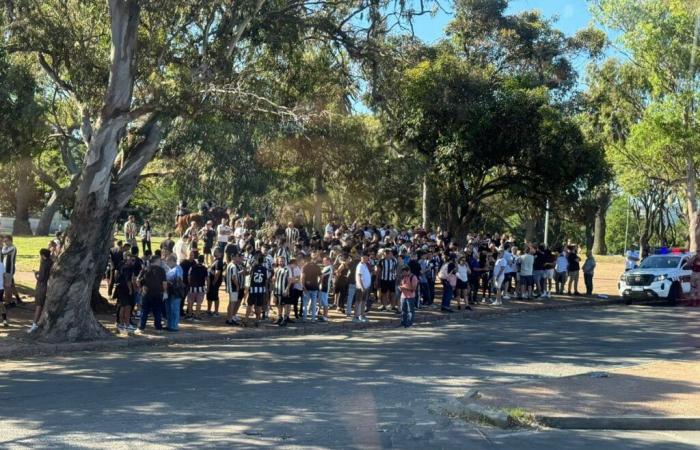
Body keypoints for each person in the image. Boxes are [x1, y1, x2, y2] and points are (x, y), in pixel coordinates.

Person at [138, 255, 168, 331]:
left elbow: (138, 280)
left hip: (146, 293)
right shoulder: (161, 270)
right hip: (158, 293)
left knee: (144, 311)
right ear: (157, 261)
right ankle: (158, 327)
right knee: (157, 311)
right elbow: (164, 283)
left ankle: (141, 326)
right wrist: (165, 292)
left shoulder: (145, 269)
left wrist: (140, 287)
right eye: (160, 261)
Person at [28, 249, 53, 334]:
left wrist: (35, 275)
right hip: (48, 285)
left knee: (39, 305)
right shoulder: (51, 262)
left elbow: (41, 278)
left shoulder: (43, 263)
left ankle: (34, 324)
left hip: (41, 286)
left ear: (42, 255)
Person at [116, 254, 137, 333]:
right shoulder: (128, 268)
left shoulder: (124, 267)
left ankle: (122, 324)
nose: (132, 262)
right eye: (131, 260)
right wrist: (131, 290)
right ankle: (126, 325)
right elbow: (128, 280)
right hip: (125, 290)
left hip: (121, 289)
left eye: (134, 260)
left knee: (123, 306)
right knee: (127, 307)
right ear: (127, 260)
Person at [165, 254, 184, 331]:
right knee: (169, 309)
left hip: (175, 292)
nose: (167, 263)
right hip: (169, 291)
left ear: (172, 261)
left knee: (174, 309)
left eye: (167, 262)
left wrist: (171, 282)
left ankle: (174, 326)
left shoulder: (177, 268)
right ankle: (170, 325)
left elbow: (179, 279)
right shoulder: (170, 269)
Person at [246, 255, 268, 325]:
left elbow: (249, 275)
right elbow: (266, 280)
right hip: (261, 289)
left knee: (249, 304)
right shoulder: (265, 269)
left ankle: (246, 319)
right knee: (259, 305)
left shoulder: (253, 268)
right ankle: (257, 320)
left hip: (253, 289)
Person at [301, 253, 322, 322]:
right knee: (314, 304)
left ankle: (304, 318)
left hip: (306, 287)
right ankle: (313, 319)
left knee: (305, 304)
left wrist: (303, 286)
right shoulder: (317, 267)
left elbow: (302, 278)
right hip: (314, 287)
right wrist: (318, 284)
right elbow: (321, 277)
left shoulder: (305, 267)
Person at [225, 253, 244, 325]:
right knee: (232, 303)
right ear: (233, 257)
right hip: (233, 287)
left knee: (231, 303)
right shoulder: (233, 266)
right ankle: (230, 319)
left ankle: (229, 318)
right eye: (237, 257)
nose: (238, 258)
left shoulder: (229, 264)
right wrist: (237, 285)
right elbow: (233, 277)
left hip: (230, 287)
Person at [187, 254, 207, 321]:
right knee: (199, 303)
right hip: (201, 288)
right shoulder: (204, 268)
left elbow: (189, 276)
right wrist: (208, 287)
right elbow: (207, 278)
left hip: (192, 287)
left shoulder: (192, 267)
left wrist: (190, 284)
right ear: (203, 260)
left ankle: (190, 315)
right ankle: (197, 315)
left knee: (190, 302)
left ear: (197, 260)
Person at [2, 236, 20, 305]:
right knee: (7, 286)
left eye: (6, 241)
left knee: (7, 287)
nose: (5, 243)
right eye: (4, 241)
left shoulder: (12, 248)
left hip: (9, 269)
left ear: (10, 241)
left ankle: (8, 302)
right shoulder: (8, 247)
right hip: (6, 269)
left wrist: (4, 247)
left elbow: (3, 252)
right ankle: (9, 301)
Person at [206, 249, 224, 316]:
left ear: (220, 254)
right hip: (212, 282)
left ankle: (216, 312)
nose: (214, 252)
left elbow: (217, 273)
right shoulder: (215, 260)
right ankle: (209, 310)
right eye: (214, 251)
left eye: (216, 252)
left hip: (214, 282)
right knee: (210, 296)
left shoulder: (219, 262)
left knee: (215, 296)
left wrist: (214, 282)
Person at [354, 252, 371, 323]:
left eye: (366, 258)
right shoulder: (360, 266)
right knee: (358, 301)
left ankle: (362, 315)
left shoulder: (365, 265)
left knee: (363, 301)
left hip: (365, 287)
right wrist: (362, 287)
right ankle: (356, 317)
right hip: (361, 287)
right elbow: (359, 277)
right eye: (364, 258)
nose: (366, 259)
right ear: (361, 258)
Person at [319, 256, 333, 322]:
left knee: (325, 302)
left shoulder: (329, 267)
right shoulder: (326, 267)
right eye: (323, 261)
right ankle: (324, 315)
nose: (324, 262)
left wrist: (318, 283)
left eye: (325, 261)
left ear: (329, 261)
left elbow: (321, 275)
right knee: (323, 301)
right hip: (323, 286)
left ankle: (325, 317)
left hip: (325, 287)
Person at [0, 258, 6, 327]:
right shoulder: (1, 264)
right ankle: (4, 320)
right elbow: (4, 276)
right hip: (1, 288)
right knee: (1, 303)